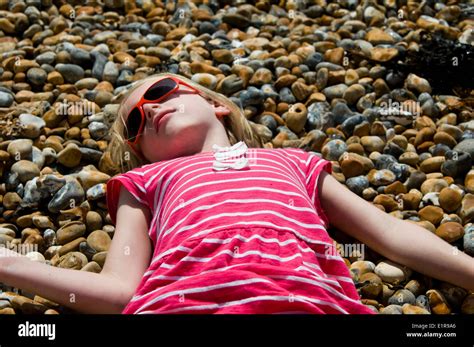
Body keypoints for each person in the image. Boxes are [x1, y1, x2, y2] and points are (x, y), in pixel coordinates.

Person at [0, 73, 473, 314]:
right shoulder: (146, 184)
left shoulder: (294, 161)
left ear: (216, 105)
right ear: (140, 152)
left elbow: (387, 231)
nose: (151, 108)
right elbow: (121, 290)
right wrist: (11, 264)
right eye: (136, 122)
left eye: (163, 90)